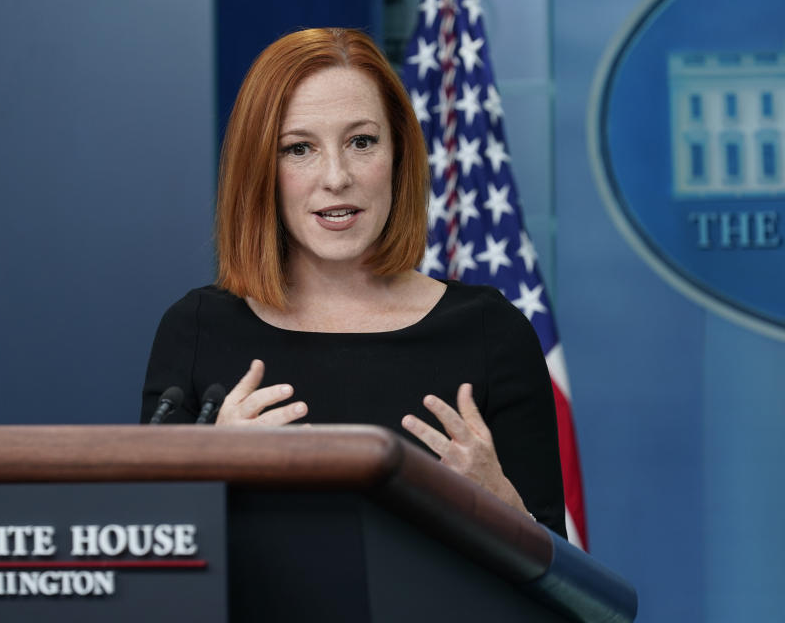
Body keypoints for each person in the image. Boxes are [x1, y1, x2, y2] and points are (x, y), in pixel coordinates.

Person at [141, 28, 566, 537]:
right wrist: (211, 475)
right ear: (260, 170)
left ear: (399, 155)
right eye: (299, 149)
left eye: (361, 142)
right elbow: (151, 560)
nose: (337, 177)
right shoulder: (195, 330)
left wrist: (501, 505)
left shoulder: (490, 332)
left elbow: (560, 592)